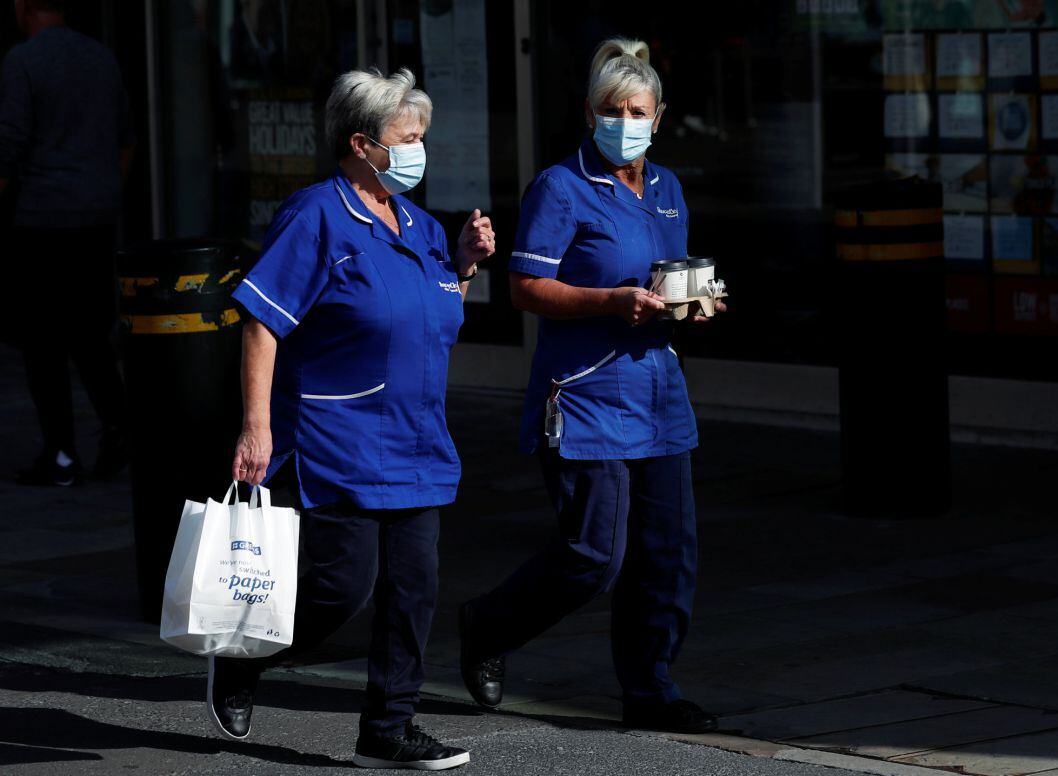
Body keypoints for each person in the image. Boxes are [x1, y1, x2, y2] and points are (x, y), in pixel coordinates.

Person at [210, 67, 494, 770]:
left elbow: (429, 316)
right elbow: (261, 320)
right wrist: (255, 426)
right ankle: (244, 659)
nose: (419, 149)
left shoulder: (423, 227)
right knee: (341, 587)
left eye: (422, 136)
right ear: (362, 143)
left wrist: (462, 267)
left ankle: (388, 730)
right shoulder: (316, 215)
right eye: (408, 137)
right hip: (341, 438)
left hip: (418, 439)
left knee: (414, 590)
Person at [459, 37, 724, 734]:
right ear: (589, 113)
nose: (625, 121)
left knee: (665, 554)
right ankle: (487, 626)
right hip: (585, 396)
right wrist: (610, 301)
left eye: (638, 110)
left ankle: (651, 689)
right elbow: (524, 288)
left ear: (659, 118)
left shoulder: (668, 189)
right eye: (613, 110)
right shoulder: (560, 186)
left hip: (659, 393)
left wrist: (694, 303)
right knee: (592, 556)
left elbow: (666, 276)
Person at [0, 0, 135, 486]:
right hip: (95, 217)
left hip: (43, 218)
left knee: (42, 342)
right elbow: (125, 140)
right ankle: (119, 425)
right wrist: (105, 194)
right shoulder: (101, 57)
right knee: (88, 334)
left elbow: (9, 147)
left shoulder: (23, 61)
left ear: (24, 8)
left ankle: (60, 451)